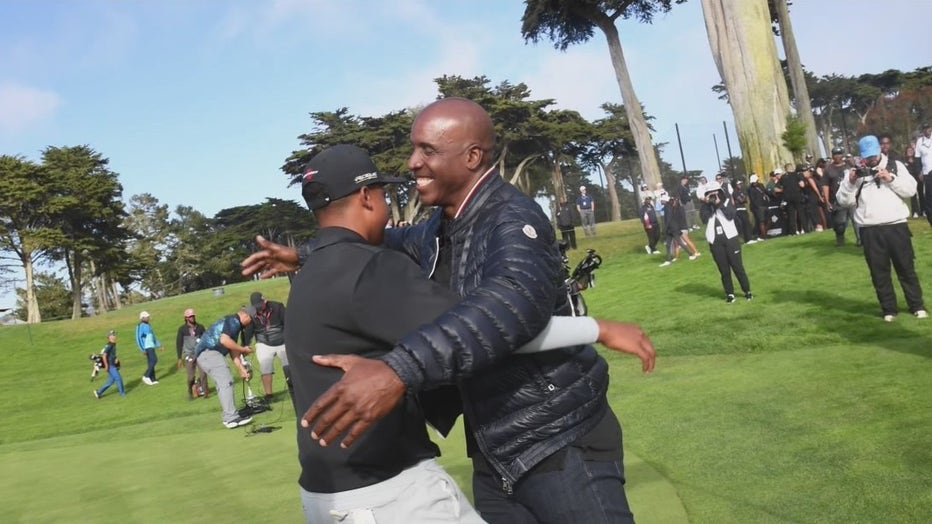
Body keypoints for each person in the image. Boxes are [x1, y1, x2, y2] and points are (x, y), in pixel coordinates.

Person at [243, 100, 653, 523]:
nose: (412, 162)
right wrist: (313, 252)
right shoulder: (440, 227)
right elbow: (384, 240)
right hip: (495, 448)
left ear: (472, 157)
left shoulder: (512, 219)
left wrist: (398, 370)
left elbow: (506, 311)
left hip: (556, 438)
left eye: (427, 150)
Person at [836, 135, 927, 322]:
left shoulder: (895, 165)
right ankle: (888, 309)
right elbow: (843, 201)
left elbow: (911, 190)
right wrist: (851, 182)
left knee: (906, 268)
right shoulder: (854, 173)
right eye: (867, 156)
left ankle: (917, 305)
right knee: (879, 273)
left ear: (880, 150)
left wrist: (890, 178)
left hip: (896, 226)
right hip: (870, 229)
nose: (871, 159)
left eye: (874, 155)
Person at [194, 308, 257, 428]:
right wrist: (243, 349)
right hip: (209, 353)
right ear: (246, 316)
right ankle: (231, 418)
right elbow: (225, 341)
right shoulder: (233, 321)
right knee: (226, 382)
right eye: (251, 320)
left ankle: (228, 416)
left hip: (207, 355)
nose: (250, 323)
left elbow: (232, 350)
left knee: (223, 383)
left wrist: (241, 369)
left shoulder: (234, 324)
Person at [700, 181, 753, 303]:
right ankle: (730, 293)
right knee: (724, 270)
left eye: (716, 192)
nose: (713, 194)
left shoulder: (727, 201)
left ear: (720, 192)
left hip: (731, 239)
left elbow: (730, 215)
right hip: (715, 241)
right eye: (710, 193)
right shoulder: (705, 206)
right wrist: (708, 204)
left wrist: (719, 204)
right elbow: (704, 219)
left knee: (737, 267)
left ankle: (747, 291)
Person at [242, 291, 291, 402]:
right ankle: (269, 395)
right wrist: (244, 346)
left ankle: (294, 388)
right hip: (263, 343)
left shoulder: (278, 307)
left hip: (282, 341)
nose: (259, 308)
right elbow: (249, 332)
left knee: (288, 367)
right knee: (265, 368)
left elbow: (288, 322)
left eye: (260, 305)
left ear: (265, 301)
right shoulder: (251, 314)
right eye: (256, 307)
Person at [824, 147, 858, 246]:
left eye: (839, 154)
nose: (837, 156)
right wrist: (827, 201)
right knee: (840, 223)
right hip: (837, 200)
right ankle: (840, 240)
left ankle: (860, 241)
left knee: (856, 220)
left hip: (852, 198)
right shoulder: (828, 169)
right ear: (832, 156)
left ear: (842, 155)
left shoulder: (849, 166)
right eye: (835, 154)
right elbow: (825, 185)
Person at [176, 308, 208, 400]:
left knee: (203, 374)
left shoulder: (200, 327)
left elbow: (206, 340)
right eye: (190, 316)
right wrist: (179, 358)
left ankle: (205, 392)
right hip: (189, 355)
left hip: (200, 353)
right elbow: (179, 344)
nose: (192, 318)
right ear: (186, 318)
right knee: (191, 377)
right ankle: (190, 390)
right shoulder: (182, 329)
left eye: (193, 316)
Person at [93, 330, 125, 399]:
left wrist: (115, 358)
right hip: (110, 365)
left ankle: (99, 392)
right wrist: (107, 366)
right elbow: (104, 355)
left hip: (112, 364)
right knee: (119, 378)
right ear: (110, 337)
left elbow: (111, 354)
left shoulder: (113, 344)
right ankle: (122, 394)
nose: (115, 336)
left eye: (115, 335)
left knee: (111, 381)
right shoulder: (110, 345)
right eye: (113, 335)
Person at [135, 311, 162, 385]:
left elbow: (153, 336)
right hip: (147, 347)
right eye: (147, 317)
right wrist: (142, 349)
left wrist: (158, 345)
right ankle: (146, 376)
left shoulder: (148, 325)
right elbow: (138, 338)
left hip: (151, 345)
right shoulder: (140, 326)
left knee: (151, 362)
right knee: (154, 360)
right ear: (142, 318)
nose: (148, 318)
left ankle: (153, 379)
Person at [915, 124, 932, 225]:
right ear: (924, 130)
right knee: (929, 196)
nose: (929, 130)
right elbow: (917, 159)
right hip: (926, 172)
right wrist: (918, 172)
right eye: (926, 129)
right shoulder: (919, 142)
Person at [747, 174, 770, 241]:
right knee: (761, 222)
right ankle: (764, 237)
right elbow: (752, 199)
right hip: (759, 207)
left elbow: (765, 192)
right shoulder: (750, 189)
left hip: (765, 205)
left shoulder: (761, 185)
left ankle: (762, 235)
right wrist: (758, 207)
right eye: (753, 182)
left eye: (755, 181)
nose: (754, 183)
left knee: (769, 221)